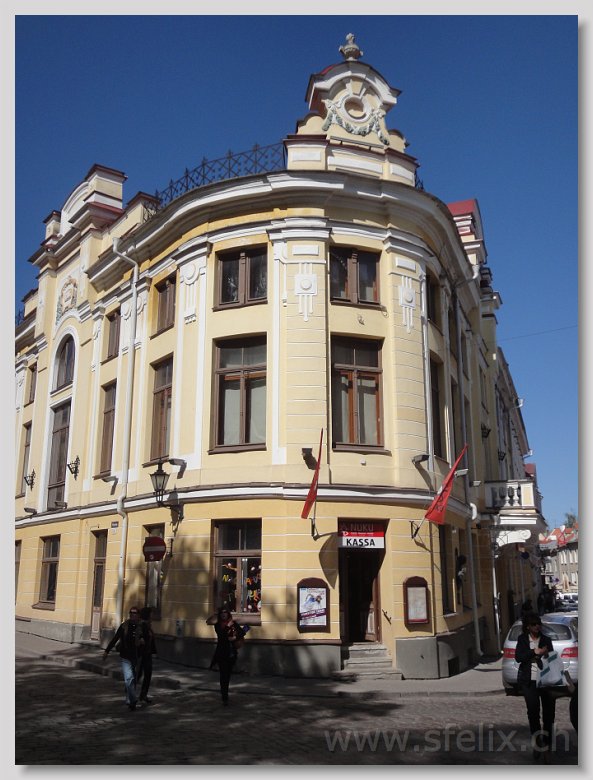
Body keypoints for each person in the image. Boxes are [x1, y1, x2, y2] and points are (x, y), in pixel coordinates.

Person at [515, 611, 556, 762]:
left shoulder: (546, 639)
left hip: (546, 681)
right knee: (533, 714)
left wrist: (545, 653)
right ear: (527, 626)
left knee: (548, 716)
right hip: (529, 681)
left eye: (538, 624)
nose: (537, 626)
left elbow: (552, 659)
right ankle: (537, 743)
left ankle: (547, 747)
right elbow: (518, 657)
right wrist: (534, 651)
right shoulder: (522, 640)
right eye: (533, 624)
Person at [102, 606, 142, 710]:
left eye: (135, 613)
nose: (132, 615)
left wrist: (143, 642)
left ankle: (129, 699)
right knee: (129, 678)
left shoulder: (141, 627)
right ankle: (133, 699)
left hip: (136, 656)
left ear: (139, 615)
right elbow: (115, 639)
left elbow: (146, 640)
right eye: (131, 613)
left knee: (132, 679)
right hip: (125, 656)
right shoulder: (124, 626)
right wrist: (107, 651)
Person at [209, 608, 246, 705]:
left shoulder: (233, 623)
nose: (223, 614)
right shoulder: (218, 625)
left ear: (228, 614)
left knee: (228, 675)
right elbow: (221, 636)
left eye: (225, 612)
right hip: (222, 654)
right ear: (220, 615)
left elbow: (242, 632)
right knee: (223, 675)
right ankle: (224, 697)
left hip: (231, 653)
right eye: (222, 613)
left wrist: (235, 637)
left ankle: (225, 694)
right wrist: (227, 627)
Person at [136, 606, 157, 705]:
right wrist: (141, 639)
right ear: (147, 615)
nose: (152, 615)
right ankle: (130, 694)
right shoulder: (141, 625)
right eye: (151, 614)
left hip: (147, 654)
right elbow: (139, 635)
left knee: (148, 674)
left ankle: (143, 695)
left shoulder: (148, 625)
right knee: (138, 674)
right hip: (141, 654)